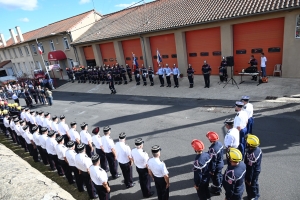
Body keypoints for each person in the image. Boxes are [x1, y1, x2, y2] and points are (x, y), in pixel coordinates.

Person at [245, 135, 262, 200]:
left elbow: (250, 169)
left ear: (250, 145)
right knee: (255, 182)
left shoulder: (251, 156)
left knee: (251, 185)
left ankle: (253, 196)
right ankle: (256, 194)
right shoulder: (258, 149)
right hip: (257, 169)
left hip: (252, 172)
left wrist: (249, 180)